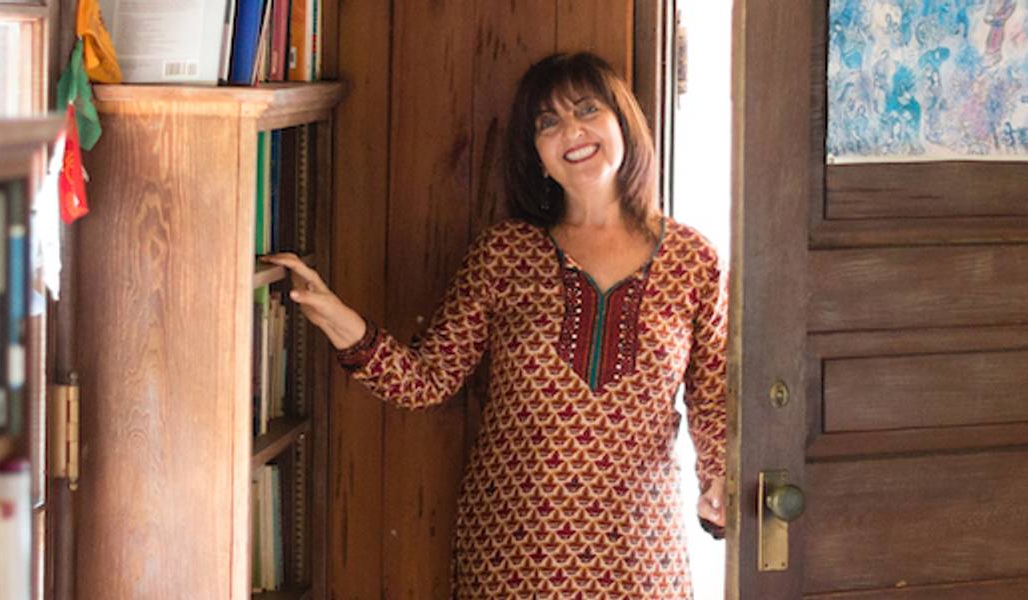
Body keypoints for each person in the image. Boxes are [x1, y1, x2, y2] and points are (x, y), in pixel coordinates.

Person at [261, 52, 729, 598]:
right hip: (513, 549)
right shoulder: (506, 253)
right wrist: (338, 319)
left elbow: (713, 395)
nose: (571, 131)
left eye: (586, 110)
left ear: (622, 121)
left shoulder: (692, 260)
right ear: (537, 155)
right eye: (547, 123)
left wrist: (717, 481)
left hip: (638, 550)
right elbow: (428, 380)